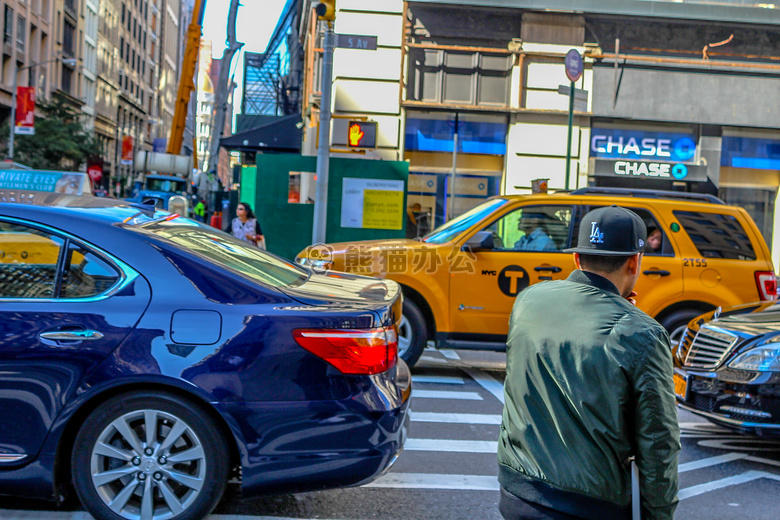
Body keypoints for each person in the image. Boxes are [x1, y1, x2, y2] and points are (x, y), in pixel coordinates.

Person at [498, 205, 680, 520]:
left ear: (577, 258)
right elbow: (658, 442)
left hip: (517, 489)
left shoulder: (528, 300)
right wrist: (658, 514)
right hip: (589, 503)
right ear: (634, 262)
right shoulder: (643, 333)